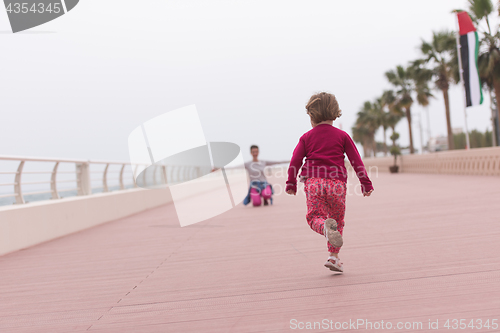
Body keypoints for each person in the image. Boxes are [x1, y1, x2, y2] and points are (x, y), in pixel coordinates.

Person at [285, 92, 374, 273]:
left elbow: (295, 161)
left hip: (314, 183)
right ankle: (333, 257)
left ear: (311, 116)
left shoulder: (306, 137)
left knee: (314, 217)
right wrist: (366, 183)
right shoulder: (342, 136)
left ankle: (325, 230)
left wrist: (291, 183)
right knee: (337, 221)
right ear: (335, 113)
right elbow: (356, 160)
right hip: (337, 184)